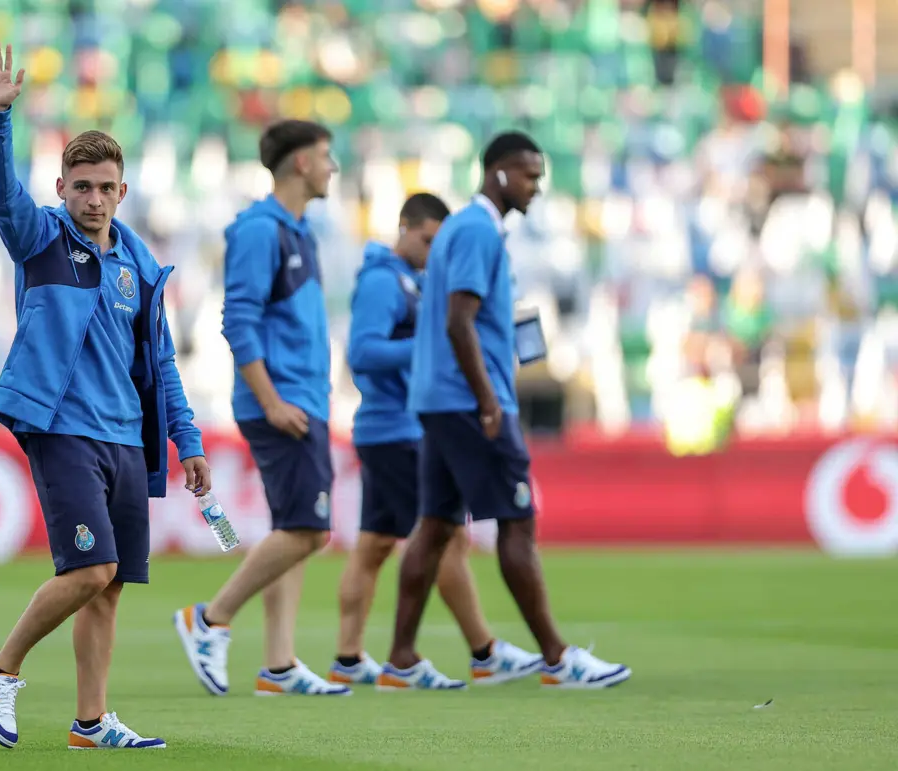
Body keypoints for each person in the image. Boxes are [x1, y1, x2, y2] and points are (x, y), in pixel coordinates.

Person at [0, 42, 212, 751]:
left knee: (109, 588)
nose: (93, 198)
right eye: (82, 186)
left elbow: (160, 360)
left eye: (105, 187)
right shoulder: (42, 237)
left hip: (127, 438)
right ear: (63, 187)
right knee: (90, 567)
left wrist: (186, 440)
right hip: (62, 426)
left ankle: (91, 720)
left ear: (122, 191)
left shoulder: (138, 263)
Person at [379, 132, 631, 690]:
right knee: (518, 522)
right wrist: (489, 401)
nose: (536, 188)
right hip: (471, 401)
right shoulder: (474, 230)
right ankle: (557, 657)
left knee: (436, 525)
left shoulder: (469, 230)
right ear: (498, 174)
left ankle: (400, 657)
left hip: (442, 399)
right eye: (529, 175)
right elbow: (457, 320)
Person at [328, 193, 542, 691]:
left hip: (389, 427)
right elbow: (363, 352)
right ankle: (484, 651)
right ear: (404, 228)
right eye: (426, 239)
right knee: (446, 536)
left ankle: (347, 655)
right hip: (395, 427)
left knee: (376, 545)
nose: (431, 250)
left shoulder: (413, 282)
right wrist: (427, 348)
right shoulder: (385, 280)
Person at [174, 119, 351, 697]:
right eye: (325, 156)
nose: (333, 166)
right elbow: (238, 320)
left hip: (304, 399)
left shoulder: (299, 231)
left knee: (293, 528)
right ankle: (211, 617)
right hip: (281, 403)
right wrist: (272, 401)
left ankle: (278, 664)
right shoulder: (259, 231)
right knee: (308, 530)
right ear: (300, 162)